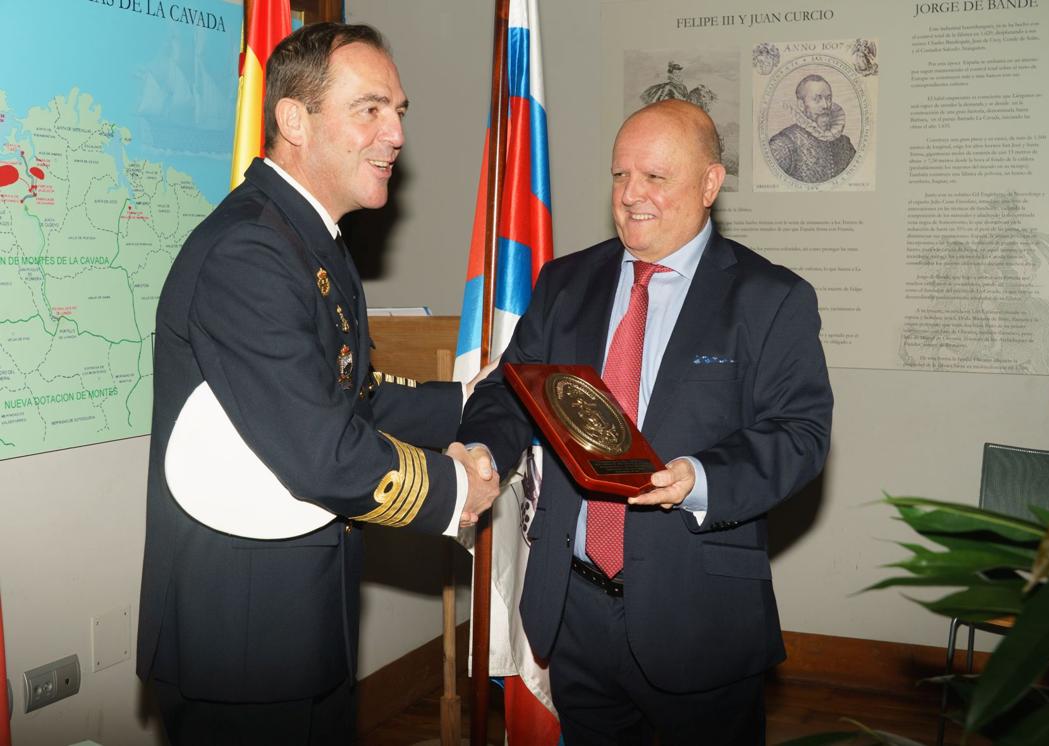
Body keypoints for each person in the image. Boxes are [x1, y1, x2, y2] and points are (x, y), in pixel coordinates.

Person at [136, 22, 498, 745]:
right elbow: (322, 449)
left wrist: (467, 400)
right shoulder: (250, 252)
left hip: (298, 627)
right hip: (243, 648)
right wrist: (455, 491)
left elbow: (346, 394)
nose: (395, 134)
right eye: (370, 109)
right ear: (294, 120)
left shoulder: (306, 239)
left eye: (399, 111)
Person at [459, 99, 833, 744]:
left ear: (710, 183)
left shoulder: (772, 298)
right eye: (619, 175)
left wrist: (700, 476)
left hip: (699, 621)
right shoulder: (565, 282)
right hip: (572, 612)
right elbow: (512, 390)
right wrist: (486, 449)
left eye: (655, 177)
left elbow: (800, 434)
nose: (631, 195)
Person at [768, 74, 856, 183]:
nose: (826, 105)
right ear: (801, 105)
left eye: (828, 98)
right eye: (817, 99)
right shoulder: (783, 144)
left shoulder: (844, 143)